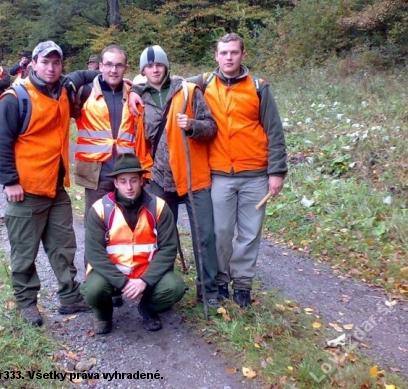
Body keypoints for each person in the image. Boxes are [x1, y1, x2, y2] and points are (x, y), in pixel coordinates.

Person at [0, 40, 95, 326]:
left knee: (64, 245)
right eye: (45, 62)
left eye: (56, 62)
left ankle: (69, 296)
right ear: (32, 64)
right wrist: (9, 182)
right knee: (24, 252)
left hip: (56, 187)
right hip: (25, 191)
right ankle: (26, 303)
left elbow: (86, 75)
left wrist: (126, 82)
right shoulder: (16, 97)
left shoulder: (63, 88)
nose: (51, 68)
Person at [189, 33, 287, 307]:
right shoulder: (203, 83)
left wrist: (276, 172)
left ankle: (242, 285)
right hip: (219, 175)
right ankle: (220, 283)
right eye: (224, 53)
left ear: (243, 54)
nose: (229, 57)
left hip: (255, 175)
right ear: (216, 56)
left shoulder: (258, 87)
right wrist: (134, 87)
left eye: (234, 52)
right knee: (221, 232)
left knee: (249, 234)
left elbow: (274, 131)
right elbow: (168, 86)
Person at [132, 45, 220, 307]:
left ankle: (209, 293)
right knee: (161, 238)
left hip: (194, 176)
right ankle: (165, 291)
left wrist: (193, 126)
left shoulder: (188, 92)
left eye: (158, 65)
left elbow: (211, 127)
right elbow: (139, 141)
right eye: (149, 66)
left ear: (166, 66)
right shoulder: (138, 98)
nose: (154, 69)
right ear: (143, 71)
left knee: (204, 235)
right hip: (159, 179)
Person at [81, 153, 186, 334]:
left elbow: (168, 248)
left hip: (146, 271)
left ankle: (147, 308)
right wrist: (123, 283)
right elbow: (94, 253)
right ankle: (104, 316)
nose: (128, 187)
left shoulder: (159, 207)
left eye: (133, 181)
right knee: (92, 289)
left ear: (142, 180)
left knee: (175, 287)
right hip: (112, 273)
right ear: (115, 183)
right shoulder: (99, 209)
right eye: (123, 181)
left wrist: (145, 281)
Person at [74, 45, 134, 220]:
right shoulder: (84, 92)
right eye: (108, 64)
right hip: (97, 175)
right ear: (100, 66)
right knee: (96, 226)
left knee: (127, 226)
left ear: (126, 68)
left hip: (127, 174)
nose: (113, 70)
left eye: (118, 65)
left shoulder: (134, 93)